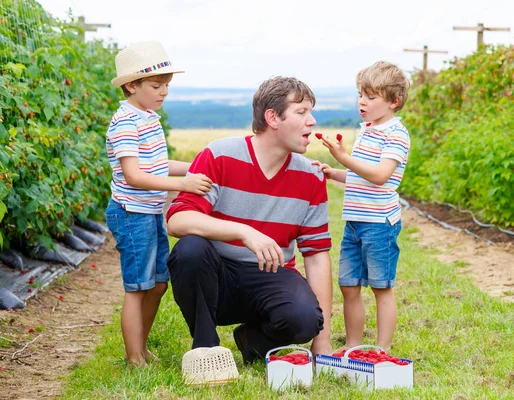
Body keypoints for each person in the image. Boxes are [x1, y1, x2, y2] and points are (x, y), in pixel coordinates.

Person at [166, 76, 333, 365]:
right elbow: (178, 220)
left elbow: (317, 258)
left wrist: (323, 344)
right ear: (273, 118)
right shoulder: (218, 155)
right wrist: (243, 231)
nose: (312, 121)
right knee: (190, 250)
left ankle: (251, 342)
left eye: (311, 112)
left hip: (271, 273)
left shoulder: (311, 176)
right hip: (217, 276)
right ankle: (205, 350)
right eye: (302, 112)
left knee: (305, 319)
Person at [104, 41, 212, 366]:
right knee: (137, 287)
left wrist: (198, 167)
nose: (164, 91)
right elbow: (134, 175)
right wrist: (182, 185)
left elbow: (158, 165)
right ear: (131, 85)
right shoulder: (125, 122)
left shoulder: (149, 118)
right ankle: (134, 356)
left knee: (158, 284)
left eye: (166, 85)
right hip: (131, 213)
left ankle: (140, 345)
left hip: (150, 211)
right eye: (156, 85)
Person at [313, 61, 411, 352]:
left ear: (393, 101)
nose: (362, 102)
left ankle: (382, 349)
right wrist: (335, 172)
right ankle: (354, 344)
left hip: (380, 224)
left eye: (371, 96)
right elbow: (361, 174)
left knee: (381, 288)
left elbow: (381, 176)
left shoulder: (396, 134)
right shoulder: (367, 130)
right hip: (355, 222)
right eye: (360, 94)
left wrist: (344, 158)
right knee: (348, 286)